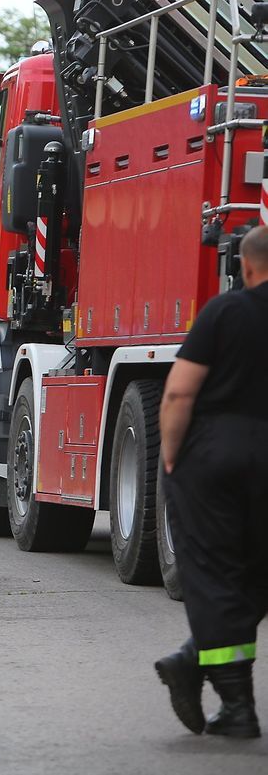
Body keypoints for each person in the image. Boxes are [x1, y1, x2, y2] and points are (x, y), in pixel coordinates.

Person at [155, 224, 268, 739]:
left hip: (216, 456)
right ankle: (197, 664)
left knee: (216, 571)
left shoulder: (225, 312)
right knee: (254, 573)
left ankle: (236, 706)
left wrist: (172, 457)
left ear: (246, 267)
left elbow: (179, 393)